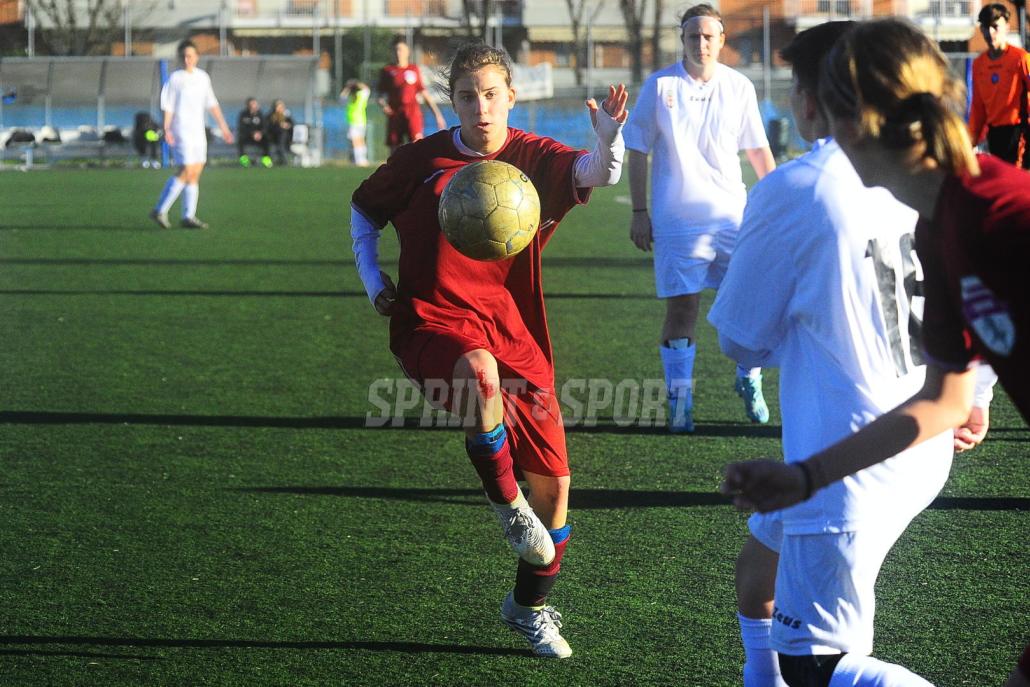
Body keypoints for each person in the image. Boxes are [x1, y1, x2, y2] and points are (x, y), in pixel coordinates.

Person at [721, 18, 1030, 685]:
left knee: (815, 668)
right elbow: (943, 398)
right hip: (876, 464)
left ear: (843, 121)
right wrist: (806, 477)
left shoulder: (1004, 213)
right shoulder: (940, 222)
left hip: (867, 480)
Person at [349, 41, 627, 658]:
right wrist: (373, 280)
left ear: (511, 97)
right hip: (433, 320)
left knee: (556, 493)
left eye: (492, 94)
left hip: (513, 329)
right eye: (468, 96)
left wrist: (609, 140)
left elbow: (597, 173)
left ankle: (527, 608)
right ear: (453, 101)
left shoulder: (534, 155)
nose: (481, 107)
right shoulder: (422, 159)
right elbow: (364, 208)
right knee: (479, 375)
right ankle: (506, 507)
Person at [622, 3, 776, 433]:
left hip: (731, 218)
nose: (701, 43)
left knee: (749, 305)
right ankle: (680, 403)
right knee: (682, 310)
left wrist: (778, 203)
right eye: (694, 36)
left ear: (722, 40)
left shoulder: (739, 87)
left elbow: (757, 149)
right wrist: (639, 212)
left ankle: (749, 378)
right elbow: (638, 149)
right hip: (677, 222)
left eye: (709, 36)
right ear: (683, 40)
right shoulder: (660, 86)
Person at [149, 39, 233, 230]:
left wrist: (224, 127)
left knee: (195, 172)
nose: (187, 59)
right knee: (186, 170)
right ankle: (160, 209)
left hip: (198, 131)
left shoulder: (203, 77)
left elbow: (212, 104)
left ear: (197, 57)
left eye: (190, 56)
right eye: (184, 56)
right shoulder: (175, 79)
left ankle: (188, 216)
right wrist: (167, 129)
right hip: (181, 130)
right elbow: (168, 106)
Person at [968, 3, 1030, 168]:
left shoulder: (1021, 59)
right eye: (985, 27)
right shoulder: (979, 64)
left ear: (1006, 27)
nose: (990, 33)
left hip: (1019, 131)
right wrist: (971, 140)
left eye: (995, 27)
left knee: (1017, 177)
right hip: (995, 134)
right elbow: (978, 107)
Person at [376, 35, 448, 156]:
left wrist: (437, 114)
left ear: (407, 52)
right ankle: (395, 168)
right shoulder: (387, 70)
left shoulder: (414, 69)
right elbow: (380, 95)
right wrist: (383, 105)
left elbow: (424, 93)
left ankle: (417, 167)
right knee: (394, 149)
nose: (398, 53)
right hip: (395, 113)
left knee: (417, 145)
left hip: (412, 112)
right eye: (396, 50)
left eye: (401, 50)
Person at [340, 79, 371, 167]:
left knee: (356, 141)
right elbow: (367, 89)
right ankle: (363, 159)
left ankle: (359, 160)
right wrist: (357, 84)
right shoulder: (362, 95)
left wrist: (348, 87)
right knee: (361, 140)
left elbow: (341, 97)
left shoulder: (350, 97)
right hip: (361, 121)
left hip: (353, 122)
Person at [236, 97, 272, 168]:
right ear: (248, 105)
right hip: (247, 136)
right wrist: (252, 133)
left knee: (267, 139)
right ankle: (244, 160)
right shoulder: (243, 115)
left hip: (259, 137)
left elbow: (265, 127)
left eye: (255, 104)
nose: (254, 106)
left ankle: (266, 159)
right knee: (240, 140)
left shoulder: (260, 114)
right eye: (252, 104)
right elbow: (241, 127)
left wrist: (260, 133)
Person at [266, 99, 294, 166]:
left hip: (285, 140)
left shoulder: (286, 116)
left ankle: (285, 161)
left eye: (282, 107)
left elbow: (292, 125)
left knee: (283, 137)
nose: (281, 109)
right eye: (279, 107)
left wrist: (288, 125)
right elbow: (268, 128)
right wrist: (279, 126)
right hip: (272, 139)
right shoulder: (270, 117)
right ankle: (278, 162)